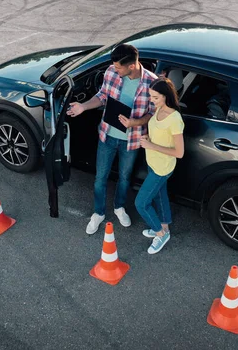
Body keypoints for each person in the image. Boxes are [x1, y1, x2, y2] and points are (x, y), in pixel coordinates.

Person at [66, 44, 157, 234]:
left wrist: (136, 122)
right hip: (107, 136)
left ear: (131, 66)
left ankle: (119, 207)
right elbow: (102, 96)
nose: (114, 69)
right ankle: (98, 213)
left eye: (118, 67)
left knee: (124, 178)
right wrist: (83, 106)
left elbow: (153, 113)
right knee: (100, 178)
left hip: (131, 141)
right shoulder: (111, 72)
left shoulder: (151, 82)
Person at [135, 77, 185, 254]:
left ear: (166, 96)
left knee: (141, 203)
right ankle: (165, 227)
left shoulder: (175, 119)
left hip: (162, 168)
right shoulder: (158, 110)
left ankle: (160, 233)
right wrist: (149, 138)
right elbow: (158, 133)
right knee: (159, 195)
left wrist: (151, 146)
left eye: (155, 97)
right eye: (151, 96)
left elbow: (179, 153)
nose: (152, 100)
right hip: (153, 162)